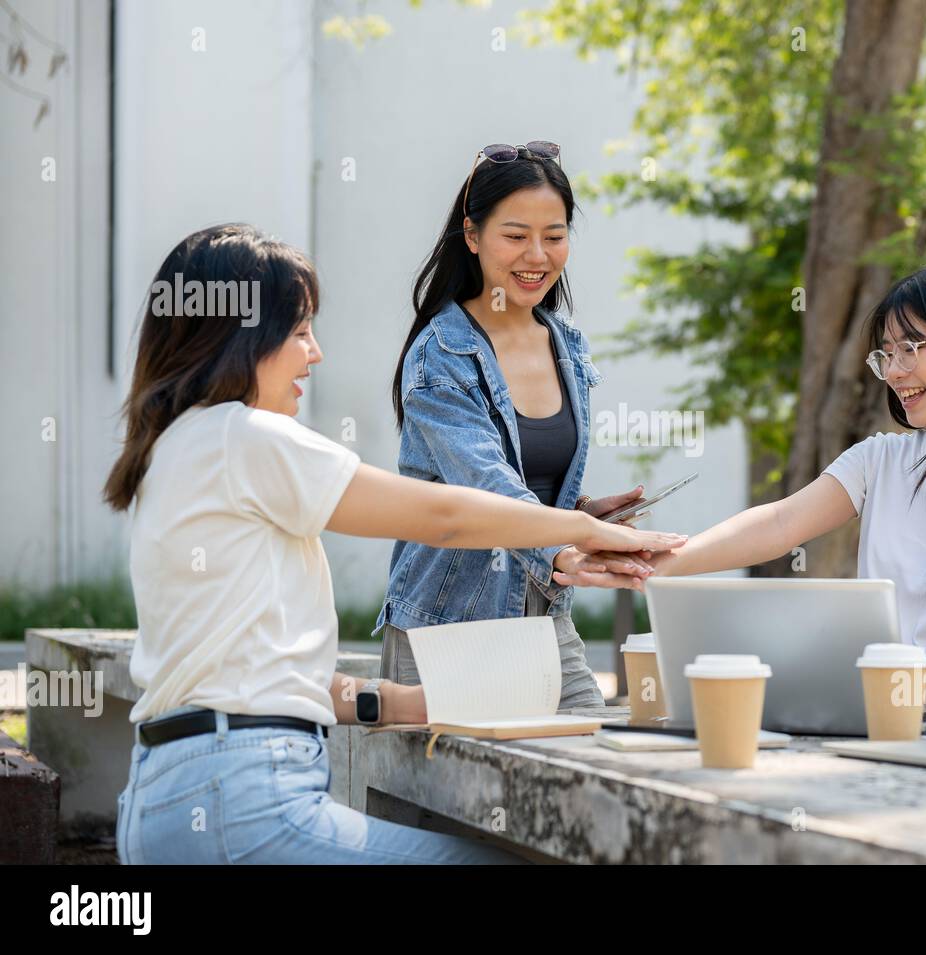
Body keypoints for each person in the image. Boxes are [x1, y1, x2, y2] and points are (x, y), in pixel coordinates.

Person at [106, 223, 686, 863]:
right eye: (298, 331)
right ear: (237, 337)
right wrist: (578, 528)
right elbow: (440, 516)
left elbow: (253, 675)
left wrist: (414, 701)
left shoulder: (175, 451)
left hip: (172, 796)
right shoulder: (243, 438)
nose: (315, 353)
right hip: (242, 800)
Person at [602, 257, 926, 747]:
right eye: (886, 354)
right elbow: (780, 523)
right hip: (876, 714)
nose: (894, 371)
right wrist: (654, 563)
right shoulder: (880, 459)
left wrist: (876, 691)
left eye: (911, 348)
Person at [378, 141, 650, 706]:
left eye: (554, 236)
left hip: (546, 619)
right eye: (515, 235)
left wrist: (575, 514)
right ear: (472, 237)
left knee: (590, 764)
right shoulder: (440, 355)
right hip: (448, 627)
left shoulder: (567, 345)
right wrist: (569, 542)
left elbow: (529, 485)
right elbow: (486, 487)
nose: (537, 255)